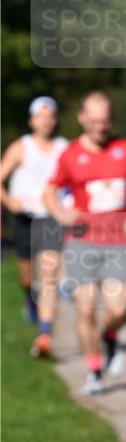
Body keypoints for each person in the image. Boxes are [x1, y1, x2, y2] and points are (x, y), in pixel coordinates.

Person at [44, 92, 126, 394]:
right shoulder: (70, 155)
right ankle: (94, 371)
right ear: (81, 118)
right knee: (86, 309)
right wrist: (61, 214)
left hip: (119, 241)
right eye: (92, 121)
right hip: (82, 241)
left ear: (111, 120)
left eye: (103, 121)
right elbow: (50, 192)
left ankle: (110, 336)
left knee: (120, 309)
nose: (98, 127)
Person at [0, 96, 68, 357]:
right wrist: (9, 201)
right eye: (40, 115)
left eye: (50, 115)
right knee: (27, 275)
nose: (46, 120)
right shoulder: (20, 147)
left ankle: (45, 330)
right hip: (24, 217)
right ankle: (30, 298)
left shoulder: (64, 147)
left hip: (51, 216)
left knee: (49, 271)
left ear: (55, 119)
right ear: (31, 120)